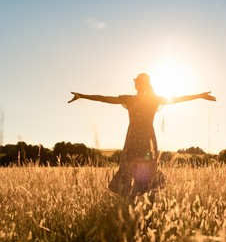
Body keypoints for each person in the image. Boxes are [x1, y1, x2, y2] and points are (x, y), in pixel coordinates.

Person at [68, 73, 216, 197]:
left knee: (139, 168)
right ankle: (137, 202)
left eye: (136, 82)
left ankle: (139, 202)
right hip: (145, 137)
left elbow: (178, 98)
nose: (135, 84)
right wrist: (82, 95)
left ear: (139, 84)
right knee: (137, 168)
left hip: (138, 138)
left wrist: (200, 95)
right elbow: (103, 98)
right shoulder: (145, 100)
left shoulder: (134, 99)